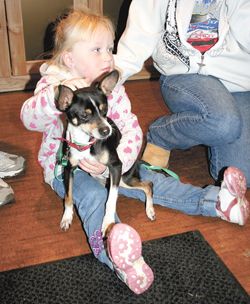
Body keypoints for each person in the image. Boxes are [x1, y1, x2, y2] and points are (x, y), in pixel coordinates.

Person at [20, 9, 249, 295]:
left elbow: (132, 130)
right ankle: (116, 254)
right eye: (97, 50)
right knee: (93, 197)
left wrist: (119, 164)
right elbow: (28, 118)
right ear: (69, 58)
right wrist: (56, 100)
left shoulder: (111, 89)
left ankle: (215, 201)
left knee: (151, 178)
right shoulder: (54, 87)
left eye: (110, 48)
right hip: (68, 168)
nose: (108, 56)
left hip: (109, 162)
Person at [114, 0, 250, 187]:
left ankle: (208, 124)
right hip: (185, 75)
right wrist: (102, 80)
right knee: (224, 123)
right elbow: (133, 47)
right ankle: (163, 135)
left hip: (237, 82)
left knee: (244, 174)